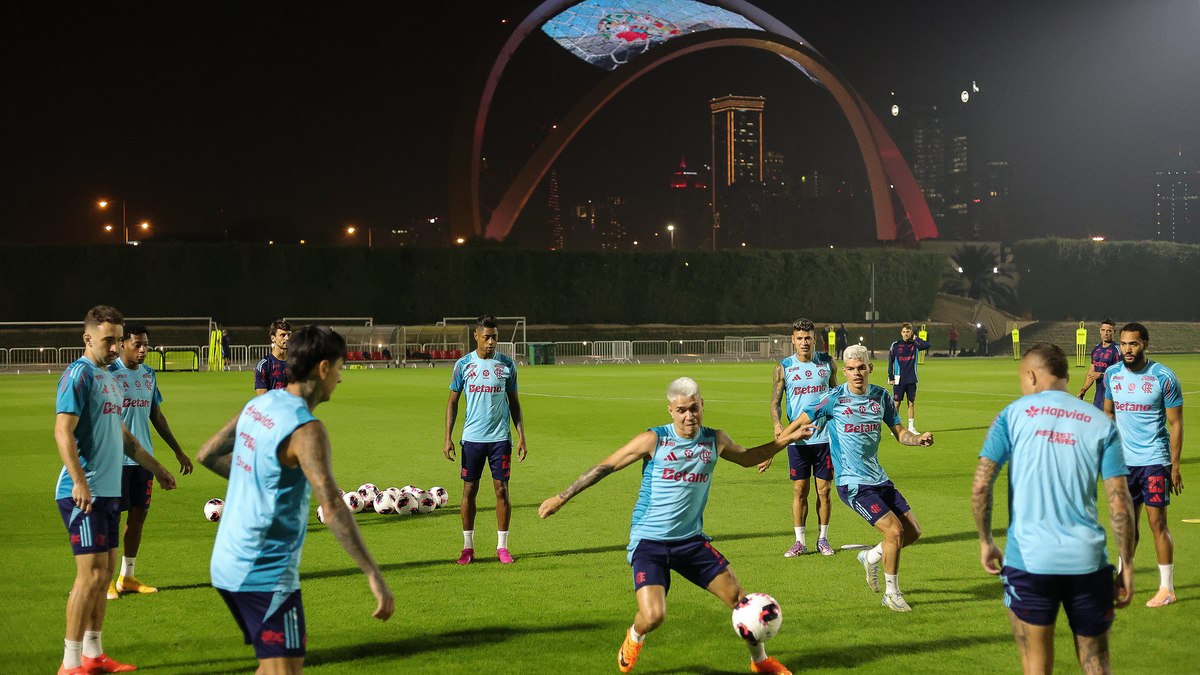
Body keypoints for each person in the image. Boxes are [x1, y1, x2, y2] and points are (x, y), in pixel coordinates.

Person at [538, 377, 805, 674]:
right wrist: (561, 497)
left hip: (691, 542)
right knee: (653, 616)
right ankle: (634, 637)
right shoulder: (654, 440)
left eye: (694, 408)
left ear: (703, 405)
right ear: (670, 410)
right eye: (681, 410)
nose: (689, 416)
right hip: (649, 543)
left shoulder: (715, 439)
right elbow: (606, 467)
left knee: (740, 601)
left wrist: (785, 440)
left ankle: (760, 662)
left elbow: (748, 458)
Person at [197, 325, 394, 673]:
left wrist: (258, 479)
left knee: (275, 666)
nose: (340, 378)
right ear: (322, 368)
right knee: (286, 670)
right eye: (339, 368)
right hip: (263, 570)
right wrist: (373, 574)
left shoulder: (259, 405)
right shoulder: (307, 430)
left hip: (227, 560)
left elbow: (207, 454)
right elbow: (332, 507)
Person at [972, 343, 1135, 674]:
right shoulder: (1101, 422)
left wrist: (986, 539)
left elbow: (981, 485)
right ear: (1065, 376)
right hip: (1088, 563)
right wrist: (1127, 564)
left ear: (1030, 375)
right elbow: (1119, 498)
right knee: (1098, 664)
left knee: (1036, 666)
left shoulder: (1011, 416)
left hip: (1029, 562)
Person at [54, 305, 177, 675]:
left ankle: (93, 655)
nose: (114, 347)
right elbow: (63, 431)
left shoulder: (109, 377)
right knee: (89, 575)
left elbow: (125, 438)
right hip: (83, 493)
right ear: (87, 337)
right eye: (108, 339)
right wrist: (78, 480)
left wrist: (158, 467)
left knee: (105, 572)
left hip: (107, 492)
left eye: (117, 339)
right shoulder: (78, 375)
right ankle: (70, 663)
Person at [781, 344, 933, 612]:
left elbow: (899, 432)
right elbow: (799, 420)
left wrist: (917, 439)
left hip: (879, 479)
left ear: (870, 368)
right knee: (894, 532)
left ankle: (871, 557)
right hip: (853, 484)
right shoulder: (833, 398)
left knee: (913, 531)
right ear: (845, 371)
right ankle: (891, 593)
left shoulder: (881, 398)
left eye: (861, 367)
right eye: (850, 369)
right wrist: (775, 447)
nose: (856, 373)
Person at [106, 323, 193, 600]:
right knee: (110, 519)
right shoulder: (108, 374)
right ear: (122, 344)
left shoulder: (149, 374)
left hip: (142, 461)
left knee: (138, 517)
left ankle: (127, 576)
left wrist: (178, 451)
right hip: (114, 459)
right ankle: (106, 580)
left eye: (146, 345)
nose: (144, 350)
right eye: (138, 345)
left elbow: (156, 415)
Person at [1103, 322, 1184, 607]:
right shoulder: (1112, 375)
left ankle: (1167, 589)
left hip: (1154, 460)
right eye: (1123, 344)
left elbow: (1176, 423)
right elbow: (1108, 415)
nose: (1127, 349)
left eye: (1133, 343)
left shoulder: (1164, 377)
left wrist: (1174, 466)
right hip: (1124, 465)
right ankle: (1124, 579)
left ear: (1145, 344)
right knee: (1127, 525)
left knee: (1157, 523)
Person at [444, 315, 528, 564]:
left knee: (502, 491)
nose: (491, 342)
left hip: (500, 439)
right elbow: (452, 402)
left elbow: (514, 403)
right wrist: (447, 437)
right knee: (469, 490)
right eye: (487, 337)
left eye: (495, 338)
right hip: (472, 439)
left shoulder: (507, 365)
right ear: (476, 336)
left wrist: (522, 436)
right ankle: (467, 547)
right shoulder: (463, 365)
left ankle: (502, 547)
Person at [759, 318, 838, 557]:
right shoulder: (783, 367)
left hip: (824, 438)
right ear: (793, 340)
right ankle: (800, 541)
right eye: (800, 338)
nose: (804, 342)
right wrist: (777, 424)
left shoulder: (827, 363)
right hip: (797, 440)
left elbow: (836, 396)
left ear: (814, 339)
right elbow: (775, 402)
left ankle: (823, 539)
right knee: (799, 490)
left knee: (824, 490)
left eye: (808, 338)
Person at [887, 322, 931, 433]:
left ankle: (911, 427)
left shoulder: (915, 344)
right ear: (901, 333)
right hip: (899, 379)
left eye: (908, 332)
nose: (906, 334)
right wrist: (890, 376)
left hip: (911, 379)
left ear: (911, 332)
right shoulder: (895, 345)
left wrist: (915, 337)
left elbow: (927, 345)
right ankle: (895, 427)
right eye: (904, 332)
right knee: (896, 403)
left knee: (911, 403)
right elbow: (890, 362)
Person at [1078, 319, 1119, 410]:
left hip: (1112, 397)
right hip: (1098, 398)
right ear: (1100, 331)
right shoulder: (1096, 349)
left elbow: (1120, 374)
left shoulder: (1116, 350)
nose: (1106, 333)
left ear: (1114, 332)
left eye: (1109, 330)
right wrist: (1083, 390)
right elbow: (1091, 373)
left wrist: (1100, 375)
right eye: (1103, 330)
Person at [254, 319, 291, 394]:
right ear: (273, 338)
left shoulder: (297, 363)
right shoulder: (263, 365)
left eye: (289, 335)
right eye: (283, 335)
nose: (287, 338)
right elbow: (263, 398)